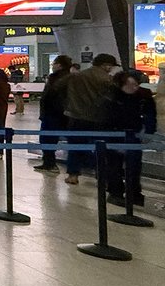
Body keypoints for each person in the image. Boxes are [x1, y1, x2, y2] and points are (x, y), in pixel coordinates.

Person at [63, 53, 119, 185]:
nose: (111, 69)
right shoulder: (107, 79)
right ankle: (101, 173)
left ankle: (73, 175)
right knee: (100, 146)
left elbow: (59, 87)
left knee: (75, 146)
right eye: (110, 66)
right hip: (98, 117)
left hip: (76, 116)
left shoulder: (78, 76)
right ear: (105, 65)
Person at [106, 70, 155, 207]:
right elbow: (105, 117)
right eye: (130, 84)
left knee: (134, 165)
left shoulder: (143, 96)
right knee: (114, 165)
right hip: (114, 134)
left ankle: (134, 192)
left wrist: (148, 132)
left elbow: (150, 115)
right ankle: (115, 192)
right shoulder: (112, 96)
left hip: (133, 134)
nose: (134, 87)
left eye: (136, 84)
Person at [33, 55, 73, 173]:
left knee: (47, 139)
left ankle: (50, 163)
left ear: (59, 65)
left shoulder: (57, 78)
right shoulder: (68, 77)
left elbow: (52, 96)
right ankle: (50, 163)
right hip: (62, 113)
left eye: (54, 63)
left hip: (53, 113)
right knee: (57, 138)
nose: (52, 65)